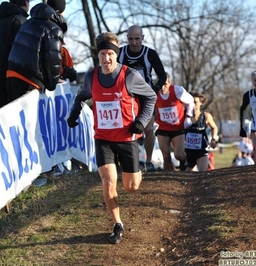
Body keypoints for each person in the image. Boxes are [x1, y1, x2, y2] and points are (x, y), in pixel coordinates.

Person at [66, 32, 157, 244]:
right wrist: (73, 115)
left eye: (109, 54)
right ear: (98, 56)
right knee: (108, 183)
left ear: (116, 55)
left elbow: (151, 97)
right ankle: (117, 224)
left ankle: (139, 170)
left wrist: (141, 121)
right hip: (103, 138)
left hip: (126, 138)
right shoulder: (91, 77)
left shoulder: (130, 76)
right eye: (102, 54)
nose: (106, 59)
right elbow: (81, 96)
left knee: (131, 187)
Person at [118, 25, 166, 172]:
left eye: (137, 39)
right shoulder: (119, 53)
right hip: (126, 98)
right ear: (126, 38)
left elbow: (162, 76)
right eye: (130, 39)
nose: (134, 43)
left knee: (149, 129)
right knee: (125, 130)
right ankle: (127, 162)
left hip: (146, 97)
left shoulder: (150, 53)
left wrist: (155, 90)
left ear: (143, 38)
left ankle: (149, 161)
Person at [6, 0, 67, 100]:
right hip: (29, 80)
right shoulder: (54, 29)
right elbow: (52, 60)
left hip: (12, 74)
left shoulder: (28, 22)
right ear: (61, 13)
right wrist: (52, 84)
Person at [0, 0, 29, 108]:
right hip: (17, 78)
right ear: (26, 3)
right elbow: (26, 52)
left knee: (5, 115)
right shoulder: (21, 21)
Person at [155, 73, 194, 171]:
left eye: (165, 85)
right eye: (160, 85)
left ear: (169, 83)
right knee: (166, 156)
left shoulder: (177, 90)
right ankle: (170, 178)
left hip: (178, 127)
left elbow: (190, 100)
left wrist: (188, 116)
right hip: (163, 128)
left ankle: (186, 162)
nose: (163, 88)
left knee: (178, 154)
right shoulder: (154, 92)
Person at [184, 91, 218, 171]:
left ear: (201, 103)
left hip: (201, 150)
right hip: (188, 151)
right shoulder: (183, 116)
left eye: (195, 102)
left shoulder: (206, 116)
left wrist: (213, 139)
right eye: (191, 102)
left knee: (202, 173)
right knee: (186, 177)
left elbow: (214, 127)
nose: (193, 105)